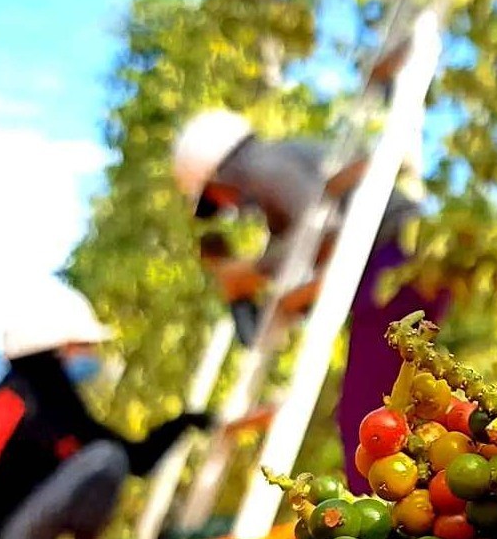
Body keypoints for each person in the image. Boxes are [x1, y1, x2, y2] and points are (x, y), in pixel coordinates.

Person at [170, 97, 449, 490]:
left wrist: (252, 272)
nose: (225, 207)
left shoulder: (265, 168)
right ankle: (424, 498)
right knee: (390, 404)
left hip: (396, 258)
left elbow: (322, 230)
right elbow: (303, 255)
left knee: (368, 413)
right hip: (397, 259)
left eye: (213, 199)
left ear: (218, 176)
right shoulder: (277, 169)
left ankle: (389, 511)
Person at [0, 280, 210, 539]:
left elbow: (138, 460)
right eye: (85, 346)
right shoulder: (15, 403)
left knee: (106, 455)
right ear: (60, 348)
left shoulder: (49, 402)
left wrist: (183, 422)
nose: (92, 355)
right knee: (106, 458)